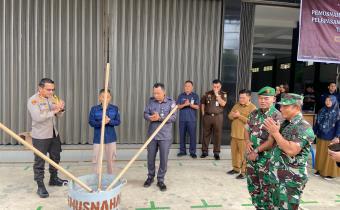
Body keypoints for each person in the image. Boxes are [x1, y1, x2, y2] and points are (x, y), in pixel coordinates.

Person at [264, 93, 315, 210]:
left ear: (296, 108)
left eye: (285, 106)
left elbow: (291, 150)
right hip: (277, 177)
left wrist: (276, 133)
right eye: (281, 106)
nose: (281, 109)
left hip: (290, 180)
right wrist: (273, 132)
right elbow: (275, 144)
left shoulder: (303, 127)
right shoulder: (285, 123)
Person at [27, 78, 68, 198]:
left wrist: (61, 109)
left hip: (53, 134)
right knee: (40, 161)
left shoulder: (53, 98)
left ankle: (53, 178)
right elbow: (38, 117)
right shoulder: (33, 100)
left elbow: (59, 115)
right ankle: (40, 186)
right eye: (48, 89)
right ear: (40, 88)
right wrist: (54, 110)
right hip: (41, 136)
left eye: (53, 89)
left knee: (56, 157)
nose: (51, 92)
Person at [245, 86, 282, 210]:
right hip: (252, 159)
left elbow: (271, 142)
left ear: (273, 99)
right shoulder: (254, 113)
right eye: (260, 98)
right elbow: (246, 129)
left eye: (266, 98)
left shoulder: (277, 116)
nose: (262, 101)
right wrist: (247, 141)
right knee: (253, 189)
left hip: (267, 161)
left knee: (267, 192)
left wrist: (256, 150)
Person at [143, 83, 177, 191]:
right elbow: (145, 114)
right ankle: (150, 177)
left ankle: (161, 180)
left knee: (163, 159)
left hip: (165, 136)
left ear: (164, 92)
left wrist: (160, 118)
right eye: (154, 93)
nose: (156, 95)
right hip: (152, 135)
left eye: (158, 93)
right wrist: (150, 117)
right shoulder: (151, 101)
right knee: (150, 158)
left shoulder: (171, 103)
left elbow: (173, 117)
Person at [89, 89, 121, 175]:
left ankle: (111, 179)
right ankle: (96, 179)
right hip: (98, 138)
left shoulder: (114, 109)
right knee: (96, 161)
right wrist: (101, 123)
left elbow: (118, 122)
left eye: (107, 97)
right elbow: (91, 122)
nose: (105, 99)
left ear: (110, 98)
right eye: (103, 97)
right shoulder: (94, 109)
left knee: (111, 161)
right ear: (99, 98)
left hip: (111, 138)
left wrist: (109, 121)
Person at [227, 89, 256, 179]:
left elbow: (252, 122)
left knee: (244, 155)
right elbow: (229, 116)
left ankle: (244, 172)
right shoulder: (236, 105)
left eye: (243, 97)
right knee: (234, 153)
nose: (241, 99)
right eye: (240, 97)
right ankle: (236, 168)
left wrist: (239, 116)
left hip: (244, 136)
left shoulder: (253, 108)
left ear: (249, 97)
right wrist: (233, 115)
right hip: (234, 135)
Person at [314, 95, 340, 180]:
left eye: (330, 100)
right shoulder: (322, 110)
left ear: (334, 101)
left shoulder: (337, 112)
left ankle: (330, 173)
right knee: (320, 154)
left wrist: (337, 136)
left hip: (332, 137)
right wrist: (313, 133)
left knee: (330, 155)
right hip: (320, 135)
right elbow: (317, 123)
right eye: (326, 100)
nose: (328, 102)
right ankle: (319, 170)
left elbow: (339, 126)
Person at [200, 79, 227, 160]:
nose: (216, 88)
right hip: (207, 117)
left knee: (217, 135)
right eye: (214, 86)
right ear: (212, 86)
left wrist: (217, 94)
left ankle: (216, 153)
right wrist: (203, 114)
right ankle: (204, 151)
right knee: (206, 134)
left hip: (218, 117)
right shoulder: (207, 93)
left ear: (220, 86)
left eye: (217, 86)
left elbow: (223, 103)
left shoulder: (223, 94)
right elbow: (202, 104)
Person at [176, 80, 200, 158]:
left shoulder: (195, 96)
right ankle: (182, 151)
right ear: (184, 87)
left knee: (192, 136)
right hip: (182, 120)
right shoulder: (181, 96)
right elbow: (178, 106)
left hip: (191, 120)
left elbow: (197, 107)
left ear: (192, 87)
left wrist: (189, 104)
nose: (187, 87)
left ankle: (192, 152)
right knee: (182, 135)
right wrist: (184, 104)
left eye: (189, 86)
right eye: (186, 86)